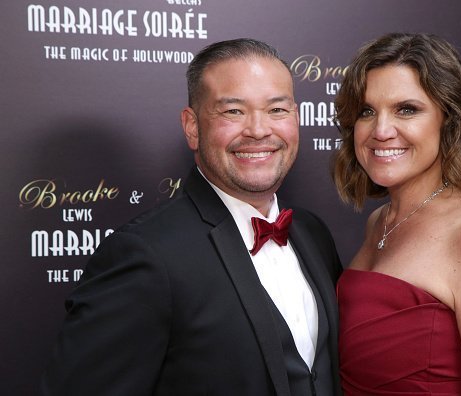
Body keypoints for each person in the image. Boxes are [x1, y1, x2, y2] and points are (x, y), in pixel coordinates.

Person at [42, 38, 342, 396]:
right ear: (192, 126)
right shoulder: (144, 255)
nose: (259, 130)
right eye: (233, 111)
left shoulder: (313, 234)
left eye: (277, 110)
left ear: (296, 117)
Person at [332, 33, 461, 395]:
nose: (381, 130)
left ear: (449, 120)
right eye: (367, 111)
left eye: (406, 109)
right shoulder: (379, 222)